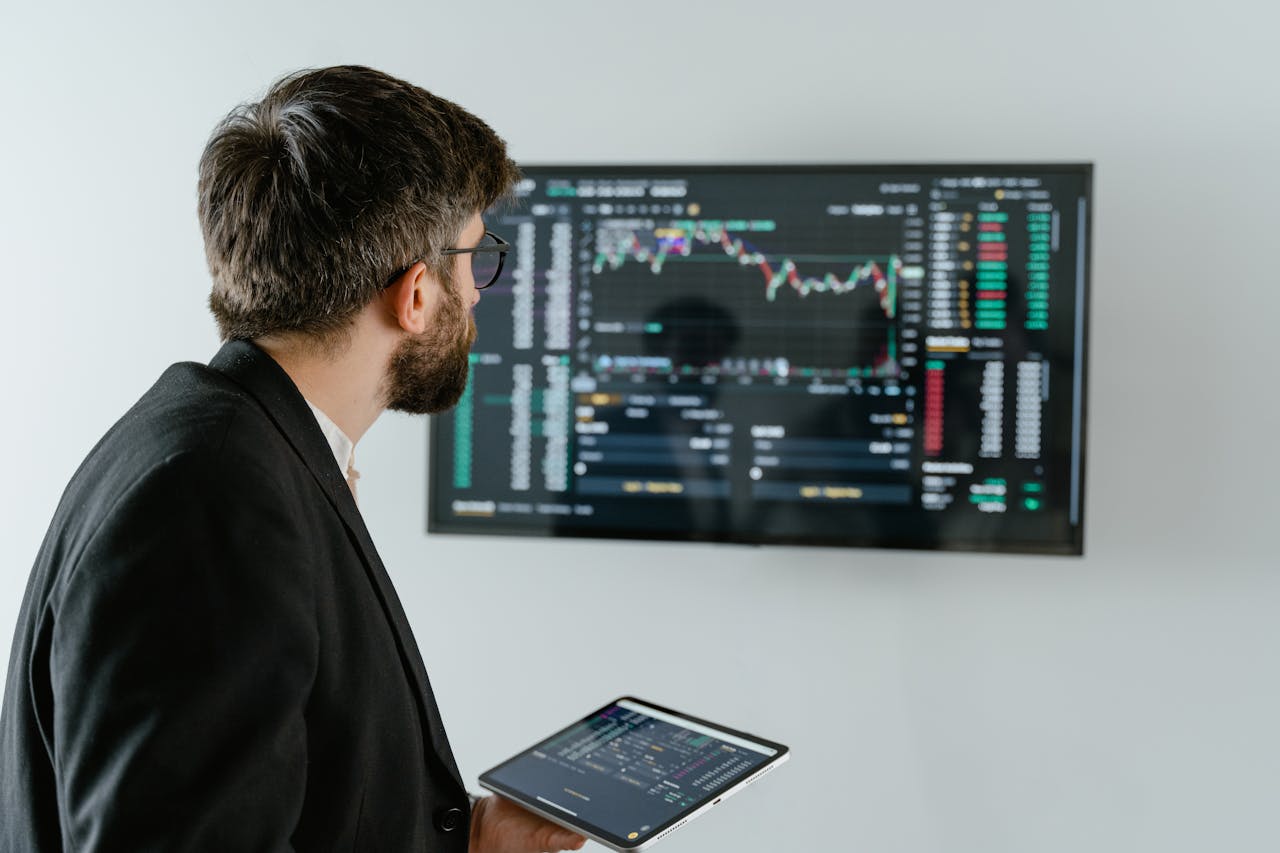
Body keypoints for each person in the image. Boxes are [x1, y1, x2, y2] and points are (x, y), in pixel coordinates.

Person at [0, 66, 585, 853]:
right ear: (414, 294)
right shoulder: (214, 495)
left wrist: (464, 844)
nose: (477, 294)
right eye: (474, 260)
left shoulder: (235, 446)